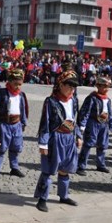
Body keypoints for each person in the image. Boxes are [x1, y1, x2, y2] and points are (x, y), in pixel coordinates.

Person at [34, 70, 82, 212]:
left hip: (69, 138)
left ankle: (64, 195)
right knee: (48, 171)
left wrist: (78, 135)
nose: (71, 90)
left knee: (65, 169)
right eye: (69, 86)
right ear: (61, 85)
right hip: (55, 138)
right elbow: (45, 123)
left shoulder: (73, 101)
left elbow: (75, 119)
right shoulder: (51, 102)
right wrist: (43, 143)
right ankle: (42, 199)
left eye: (74, 87)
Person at [0, 68, 29, 179]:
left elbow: (23, 109)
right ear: (10, 82)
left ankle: (14, 168)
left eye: (20, 84)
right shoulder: (2, 93)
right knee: (1, 148)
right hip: (4, 124)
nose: (18, 87)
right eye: (15, 84)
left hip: (17, 125)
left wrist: (24, 122)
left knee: (16, 147)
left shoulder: (21, 95)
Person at [76, 76, 112, 175]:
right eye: (104, 86)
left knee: (103, 145)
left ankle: (100, 164)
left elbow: (110, 113)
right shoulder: (92, 98)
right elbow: (85, 112)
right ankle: (81, 165)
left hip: (104, 125)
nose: (106, 89)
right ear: (98, 86)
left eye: (108, 87)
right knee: (88, 144)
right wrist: (82, 125)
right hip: (93, 123)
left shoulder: (108, 100)